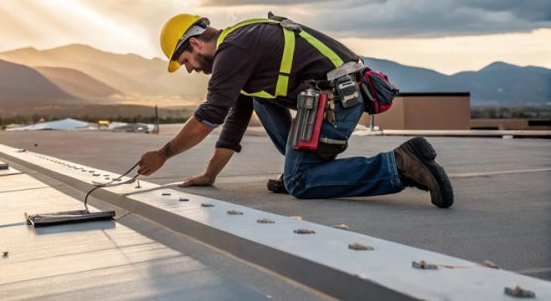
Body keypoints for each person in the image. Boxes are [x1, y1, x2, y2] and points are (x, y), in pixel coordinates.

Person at [137, 13, 454, 208]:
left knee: (301, 182)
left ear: (194, 44)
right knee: (258, 98)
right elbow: (235, 116)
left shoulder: (232, 50)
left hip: (339, 99)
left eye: (185, 62)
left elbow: (210, 116)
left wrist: (163, 154)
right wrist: (210, 174)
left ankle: (399, 164)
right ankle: (304, 166)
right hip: (330, 97)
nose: (189, 69)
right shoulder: (239, 43)